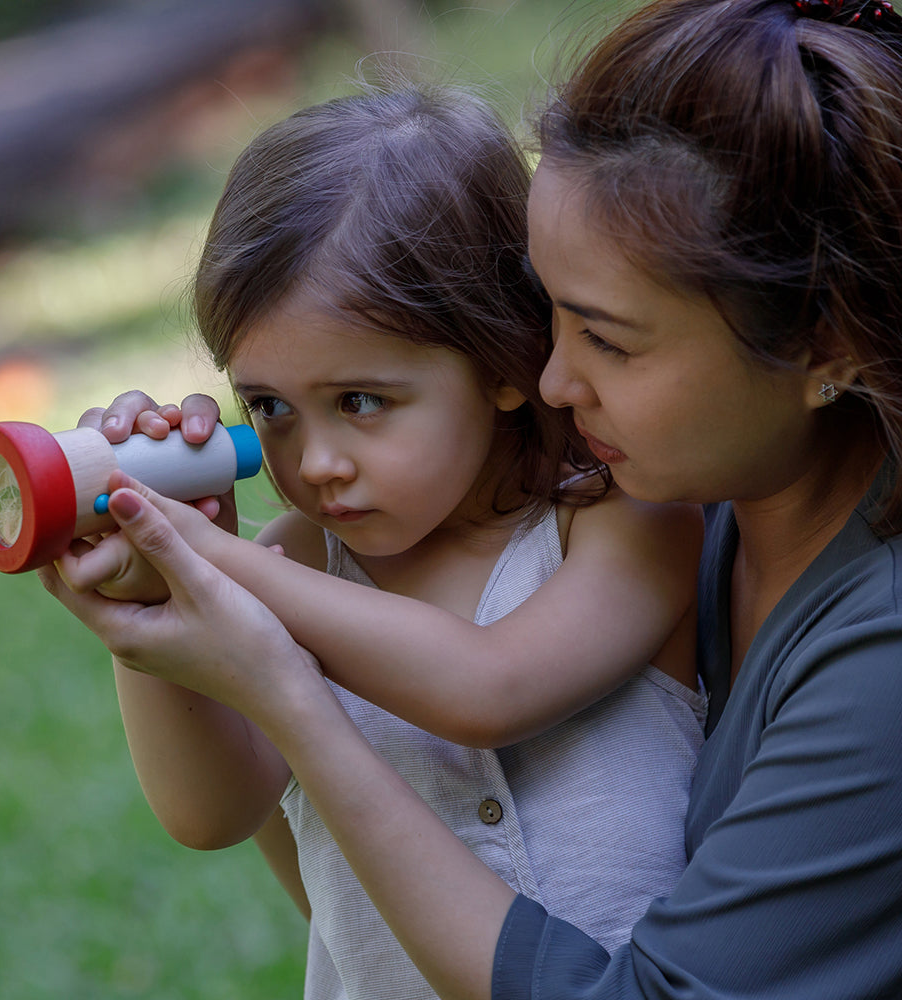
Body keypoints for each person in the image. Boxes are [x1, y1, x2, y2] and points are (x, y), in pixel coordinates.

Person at [46, 85, 707, 999]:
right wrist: (152, 587)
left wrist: (209, 560)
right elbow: (207, 811)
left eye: (362, 402)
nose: (315, 462)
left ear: (500, 361)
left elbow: (486, 685)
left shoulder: (623, 522)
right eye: (268, 407)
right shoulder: (302, 559)